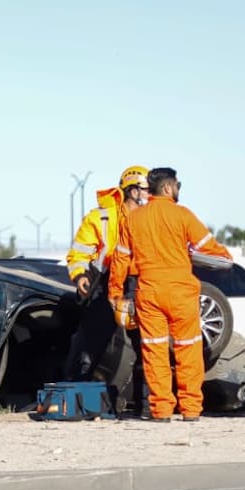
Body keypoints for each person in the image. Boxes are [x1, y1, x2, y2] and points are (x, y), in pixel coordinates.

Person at [108, 167, 231, 422]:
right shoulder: (183, 215)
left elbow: (121, 257)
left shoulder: (133, 218)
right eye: (177, 185)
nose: (178, 189)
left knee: (155, 353)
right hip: (181, 293)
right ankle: (191, 410)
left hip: (149, 293)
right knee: (188, 351)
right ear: (167, 188)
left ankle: (161, 410)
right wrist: (224, 256)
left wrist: (115, 292)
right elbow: (207, 246)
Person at [63, 165, 150, 391]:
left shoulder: (152, 219)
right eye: (146, 189)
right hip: (105, 285)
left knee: (147, 347)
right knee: (89, 345)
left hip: (140, 285)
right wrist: (80, 275)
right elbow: (80, 251)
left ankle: (147, 405)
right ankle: (73, 396)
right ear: (132, 191)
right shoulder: (100, 218)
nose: (150, 195)